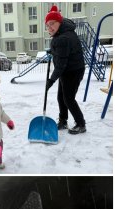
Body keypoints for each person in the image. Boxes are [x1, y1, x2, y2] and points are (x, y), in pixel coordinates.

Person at [44, 5, 86, 134]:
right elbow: (64, 51)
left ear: (59, 22)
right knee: (60, 97)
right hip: (68, 69)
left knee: (68, 98)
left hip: (72, 71)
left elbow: (61, 64)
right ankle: (63, 120)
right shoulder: (63, 31)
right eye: (47, 25)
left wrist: (51, 80)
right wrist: (53, 50)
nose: (49, 27)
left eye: (52, 24)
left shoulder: (63, 38)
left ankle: (81, 124)